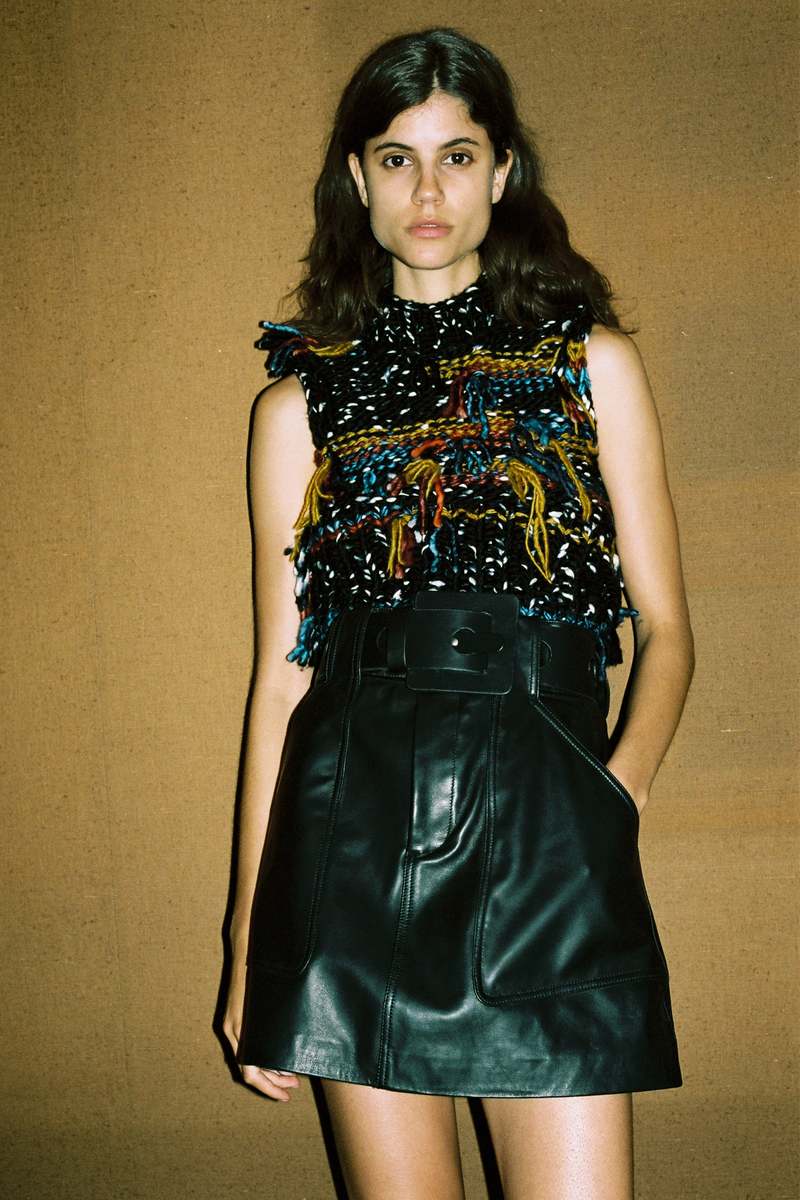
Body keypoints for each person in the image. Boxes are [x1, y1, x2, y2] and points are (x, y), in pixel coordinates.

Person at [222, 25, 695, 1200]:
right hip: (347, 848)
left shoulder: (591, 365)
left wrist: (613, 794)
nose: (426, 190)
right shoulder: (294, 408)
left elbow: (667, 629)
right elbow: (281, 681)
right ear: (357, 178)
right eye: (396, 158)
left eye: (456, 155)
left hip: (546, 830)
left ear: (501, 173)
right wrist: (245, 945)